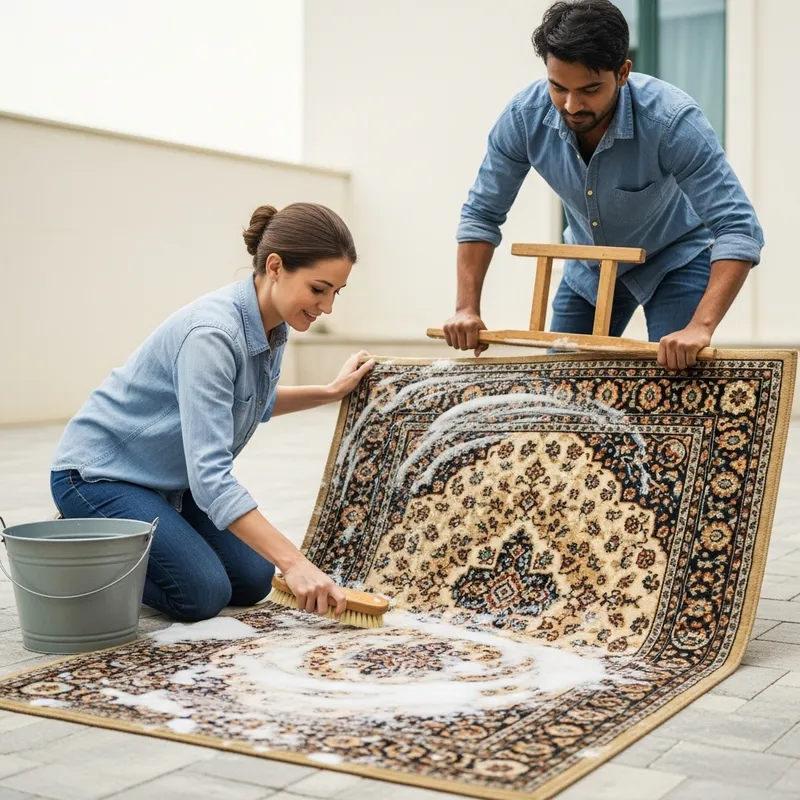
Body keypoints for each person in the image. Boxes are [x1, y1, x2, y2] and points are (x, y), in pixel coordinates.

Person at [51, 203, 374, 622]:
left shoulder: (273, 325)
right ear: (275, 266)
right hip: (99, 476)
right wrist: (296, 563)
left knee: (253, 579)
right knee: (201, 593)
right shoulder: (212, 336)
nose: (327, 306)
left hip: (169, 482)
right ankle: (79, 545)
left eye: (335, 292)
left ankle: (141, 533)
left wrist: (330, 391)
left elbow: (251, 402)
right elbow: (211, 479)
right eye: (318, 289)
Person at [443, 0, 764, 371]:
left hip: (674, 259)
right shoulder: (523, 117)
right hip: (588, 265)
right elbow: (482, 213)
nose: (572, 104)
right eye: (558, 87)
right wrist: (466, 308)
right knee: (559, 391)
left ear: (623, 72)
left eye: (590, 90)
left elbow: (738, 228)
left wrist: (700, 327)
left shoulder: (673, 121)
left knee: (675, 384)